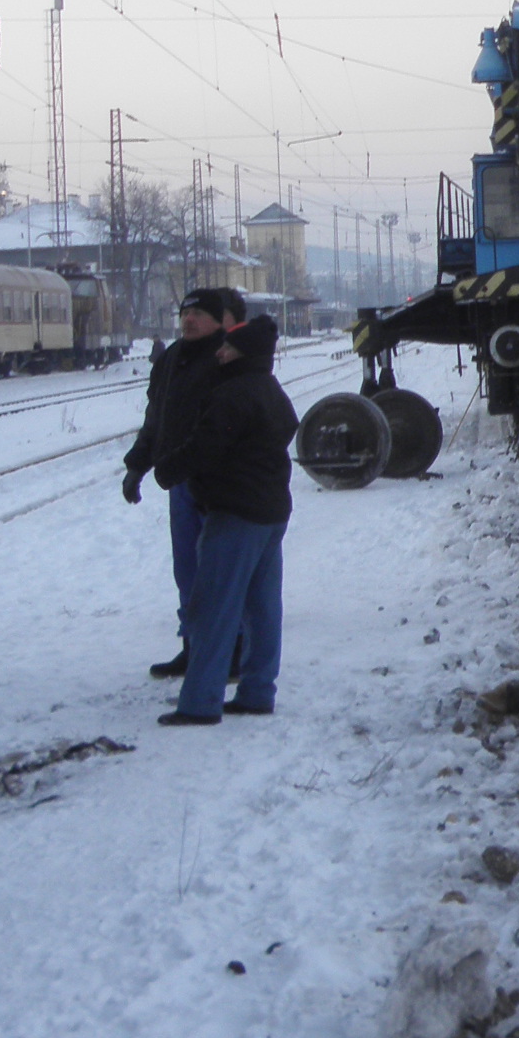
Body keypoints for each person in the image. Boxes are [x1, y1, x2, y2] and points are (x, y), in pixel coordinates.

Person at [154, 309, 298, 726]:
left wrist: (169, 469)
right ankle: (257, 692)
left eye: (228, 347)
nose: (220, 353)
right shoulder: (269, 389)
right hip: (271, 512)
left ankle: (200, 702)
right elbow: (287, 427)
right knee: (262, 608)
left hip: (235, 513)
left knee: (213, 609)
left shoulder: (233, 394)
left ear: (244, 353)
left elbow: (205, 446)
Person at [121, 287, 244, 677]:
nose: (188, 320)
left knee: (220, 570)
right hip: (181, 483)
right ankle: (194, 646)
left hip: (222, 483)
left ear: (217, 319)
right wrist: (137, 465)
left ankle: (232, 650)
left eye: (198, 314)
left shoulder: (231, 356)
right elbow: (156, 417)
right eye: (184, 314)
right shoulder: (172, 359)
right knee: (188, 570)